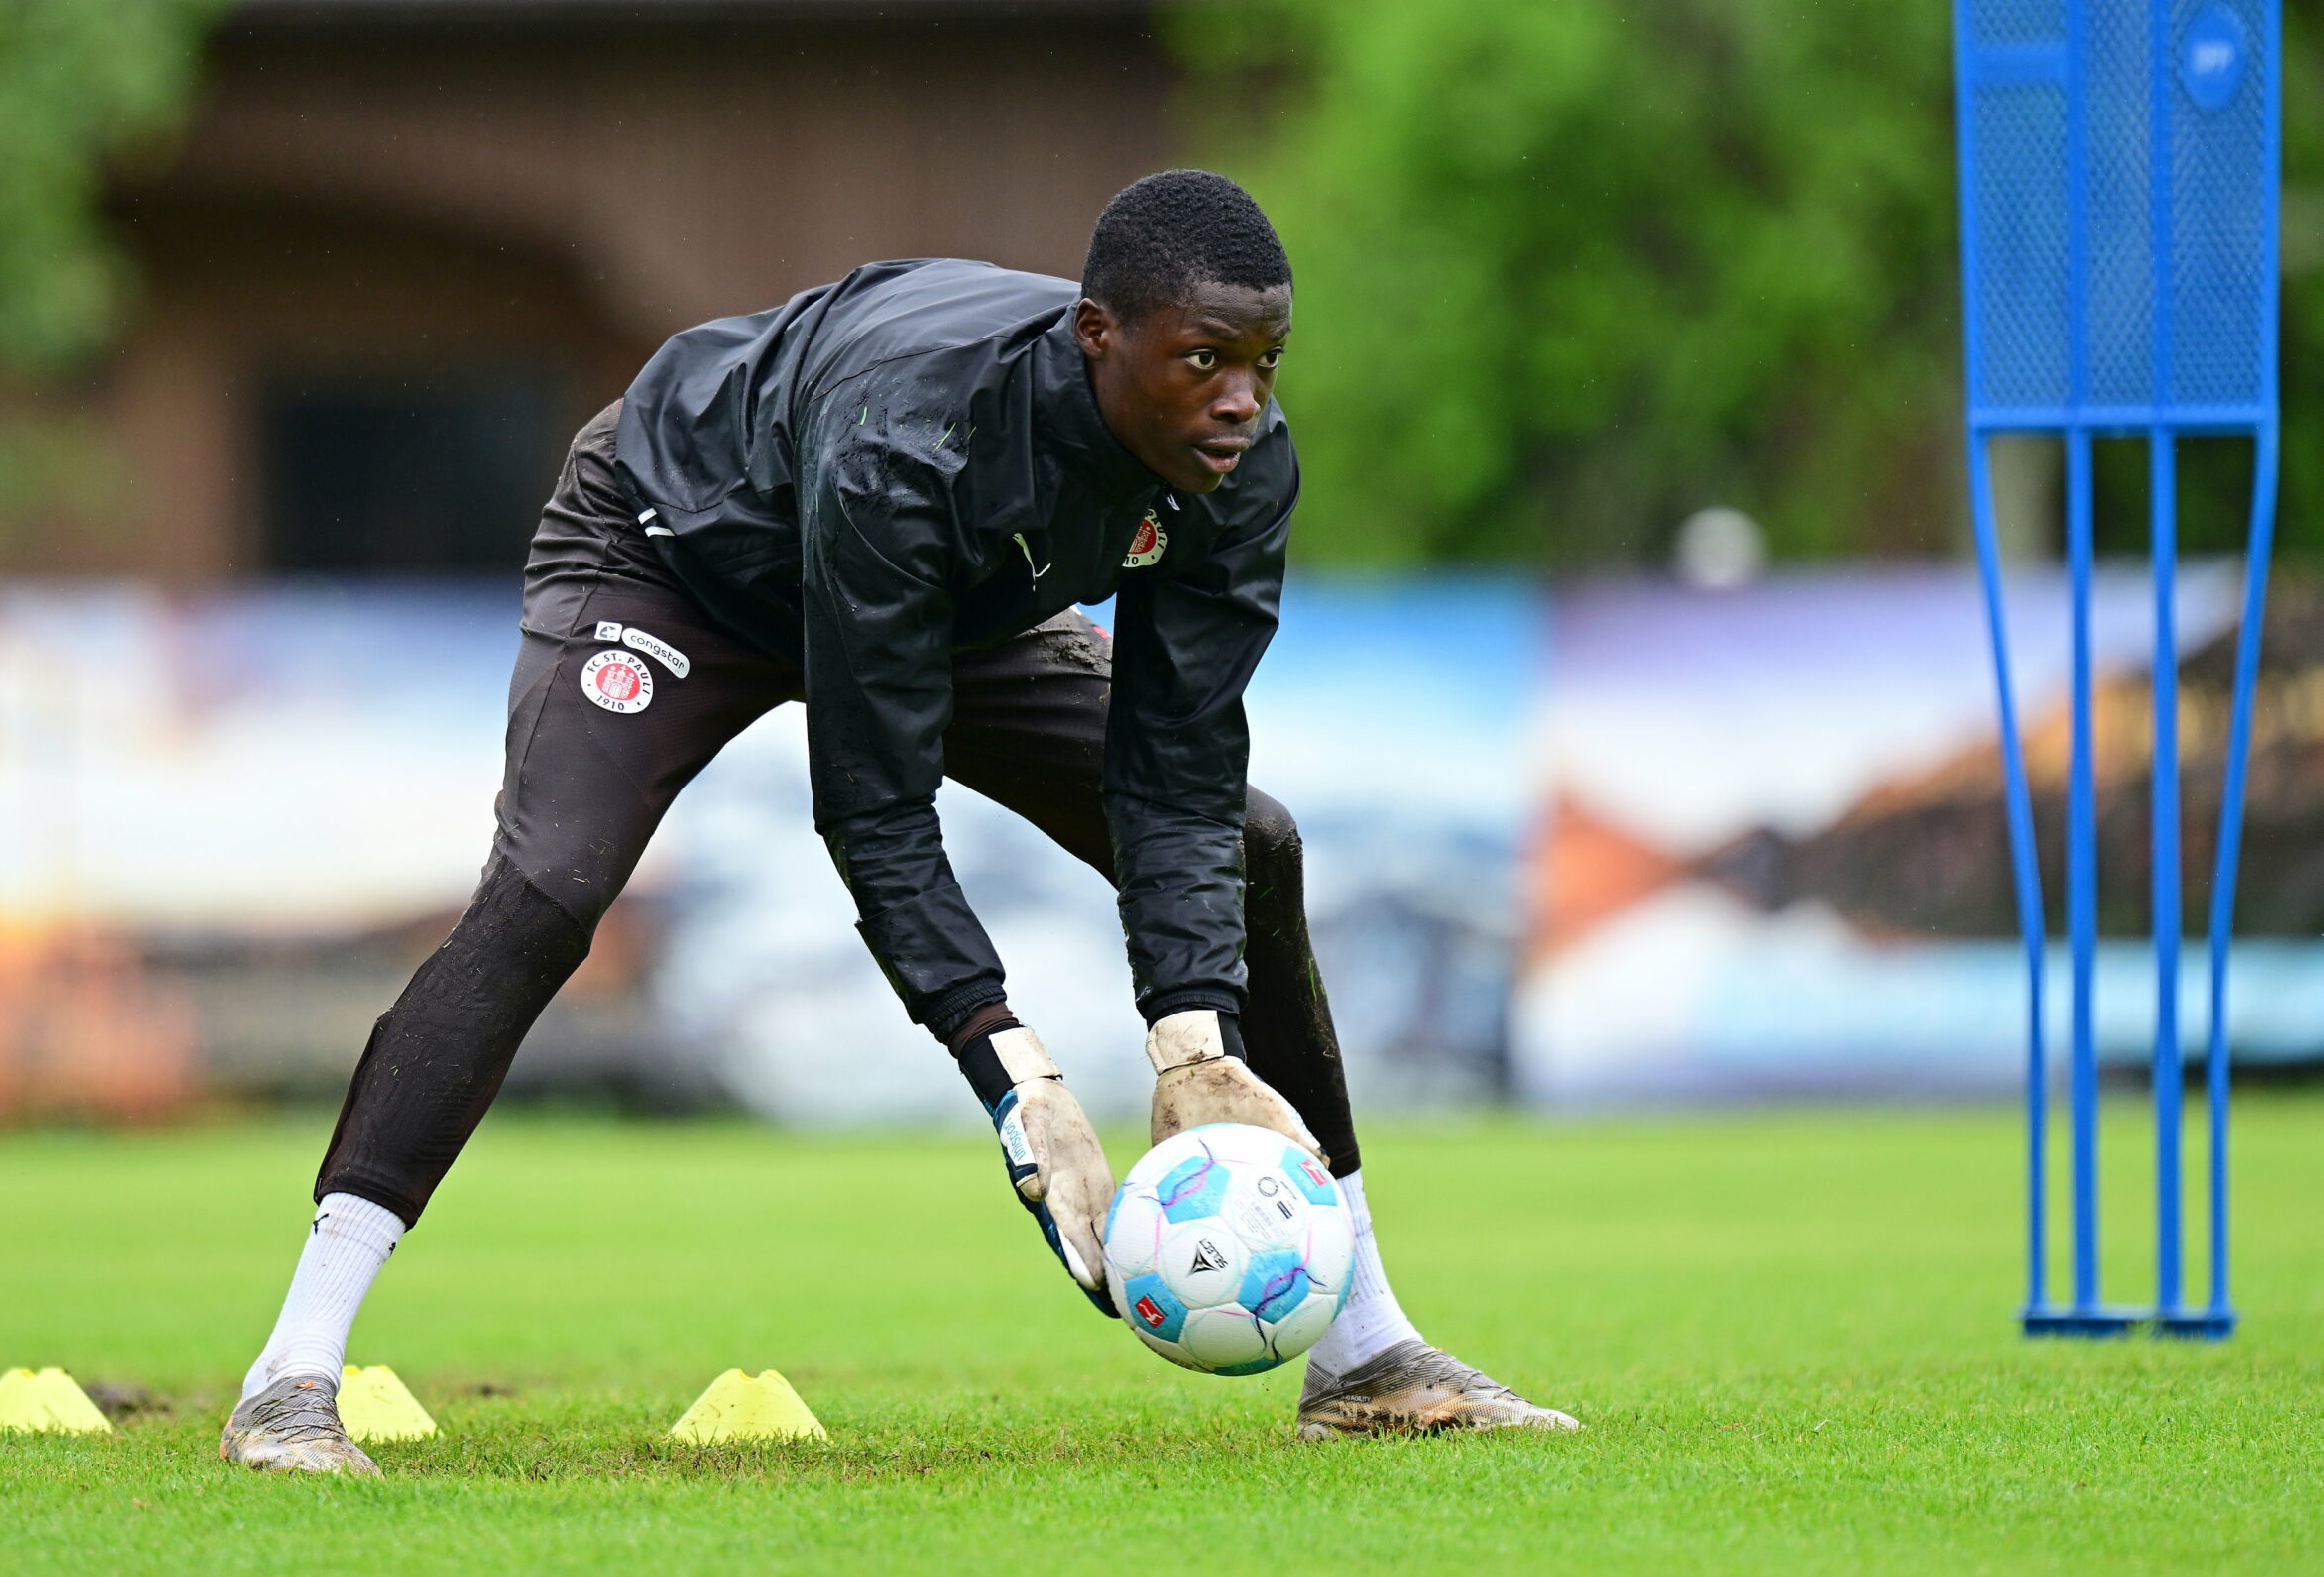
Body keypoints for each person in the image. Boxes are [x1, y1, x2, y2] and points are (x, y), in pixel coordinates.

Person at [221, 170, 1577, 1474]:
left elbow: (1173, 764)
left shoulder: (1238, 469)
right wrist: (1017, 1079)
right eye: (1206, 361)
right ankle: (290, 1375)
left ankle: (1366, 1356)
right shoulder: (911, 438)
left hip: (946, 596)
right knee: (551, 892)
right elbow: (871, 804)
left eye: (1265, 364)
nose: (1242, 402)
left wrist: (1194, 1041)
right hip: (682, 547)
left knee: (1246, 843)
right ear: (1099, 337)